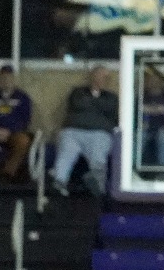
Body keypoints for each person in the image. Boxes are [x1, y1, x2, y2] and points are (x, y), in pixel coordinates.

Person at [50, 66, 118, 197]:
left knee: (98, 155)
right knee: (66, 151)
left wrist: (91, 103)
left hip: (99, 133)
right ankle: (60, 181)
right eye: (98, 76)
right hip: (74, 131)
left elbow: (109, 109)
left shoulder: (112, 97)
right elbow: (78, 104)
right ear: (92, 76)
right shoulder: (77, 92)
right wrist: (97, 105)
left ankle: (97, 185)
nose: (100, 80)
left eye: (104, 77)